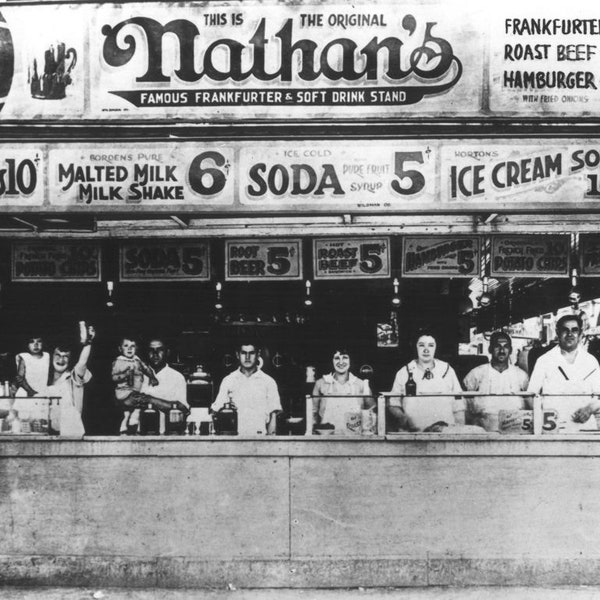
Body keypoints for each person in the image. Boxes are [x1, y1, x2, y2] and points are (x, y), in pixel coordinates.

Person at [12, 322, 96, 436]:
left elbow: (82, 363)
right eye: (58, 355)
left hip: (71, 435)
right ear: (51, 356)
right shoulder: (43, 379)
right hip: (47, 434)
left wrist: (88, 343)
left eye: (66, 356)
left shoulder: (73, 377)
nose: (61, 360)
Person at [527, 314, 600, 430]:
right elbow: (530, 395)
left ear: (580, 333)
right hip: (553, 430)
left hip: (585, 429)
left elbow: (598, 396)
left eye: (574, 330)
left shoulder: (591, 361)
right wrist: (541, 419)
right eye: (565, 330)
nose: (570, 334)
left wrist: (590, 409)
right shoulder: (544, 360)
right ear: (557, 332)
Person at [389, 329, 464, 432]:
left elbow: (458, 405)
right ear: (415, 347)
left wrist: (459, 430)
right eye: (421, 345)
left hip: (445, 433)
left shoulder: (447, 370)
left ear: (436, 347)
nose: (426, 350)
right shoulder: (404, 372)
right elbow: (393, 404)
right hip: (414, 435)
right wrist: (402, 418)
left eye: (431, 345)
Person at [211, 339, 281, 435]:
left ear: (258, 354)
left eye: (251, 353)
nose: (247, 357)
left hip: (260, 440)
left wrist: (270, 442)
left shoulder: (268, 382)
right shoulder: (228, 380)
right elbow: (215, 412)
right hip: (233, 441)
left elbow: (273, 416)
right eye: (244, 353)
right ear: (237, 354)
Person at [463, 331, 529, 430]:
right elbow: (462, 404)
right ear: (490, 349)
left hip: (515, 429)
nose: (502, 350)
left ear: (510, 350)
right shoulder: (476, 373)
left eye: (506, 346)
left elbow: (531, 404)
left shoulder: (521, 375)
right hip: (483, 430)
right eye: (497, 346)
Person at [312, 348, 375, 434]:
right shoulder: (321, 384)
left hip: (355, 440)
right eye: (337, 358)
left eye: (345, 357)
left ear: (350, 360)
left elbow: (372, 411)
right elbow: (313, 414)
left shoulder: (361, 385)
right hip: (327, 439)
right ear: (331, 361)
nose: (341, 362)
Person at [140, 337, 189, 433]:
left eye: (160, 350)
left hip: (168, 435)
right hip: (140, 435)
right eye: (151, 350)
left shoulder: (177, 377)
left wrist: (150, 400)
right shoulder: (138, 375)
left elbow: (183, 408)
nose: (155, 354)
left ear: (167, 352)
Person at [112, 335, 159, 434]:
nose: (129, 348)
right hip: (124, 392)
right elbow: (114, 377)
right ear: (120, 349)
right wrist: (124, 375)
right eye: (126, 346)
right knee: (141, 401)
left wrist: (152, 377)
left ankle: (124, 426)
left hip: (134, 390)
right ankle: (135, 416)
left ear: (136, 348)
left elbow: (146, 368)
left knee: (127, 411)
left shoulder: (137, 360)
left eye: (132, 346)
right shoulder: (119, 361)